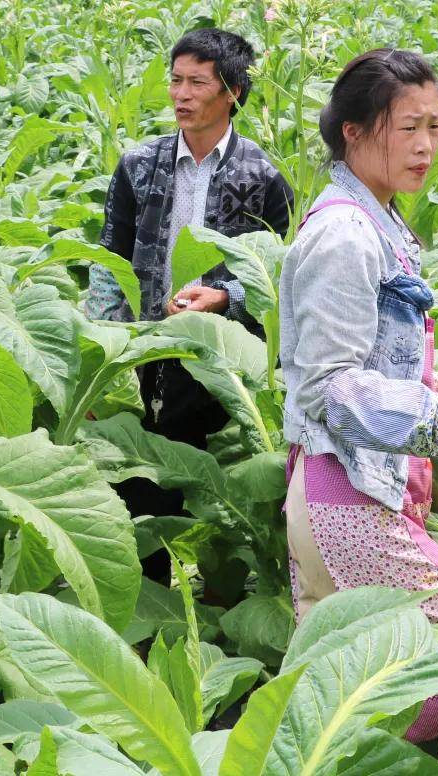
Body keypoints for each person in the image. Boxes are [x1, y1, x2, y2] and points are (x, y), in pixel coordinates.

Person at [280, 48, 438, 774]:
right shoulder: (345, 236)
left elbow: (387, 363)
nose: (425, 145)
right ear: (353, 131)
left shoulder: (375, 222)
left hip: (347, 498)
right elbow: (330, 386)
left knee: (351, 707)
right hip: (346, 501)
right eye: (406, 127)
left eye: (434, 127)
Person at [88, 29, 293, 571]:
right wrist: (102, 356)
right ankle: (148, 596)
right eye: (175, 80)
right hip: (147, 352)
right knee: (144, 488)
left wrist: (226, 297)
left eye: (197, 83)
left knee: (217, 493)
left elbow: (279, 276)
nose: (181, 94)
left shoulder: (264, 177)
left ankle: (217, 587)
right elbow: (109, 264)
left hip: (224, 361)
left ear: (233, 92)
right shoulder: (138, 165)